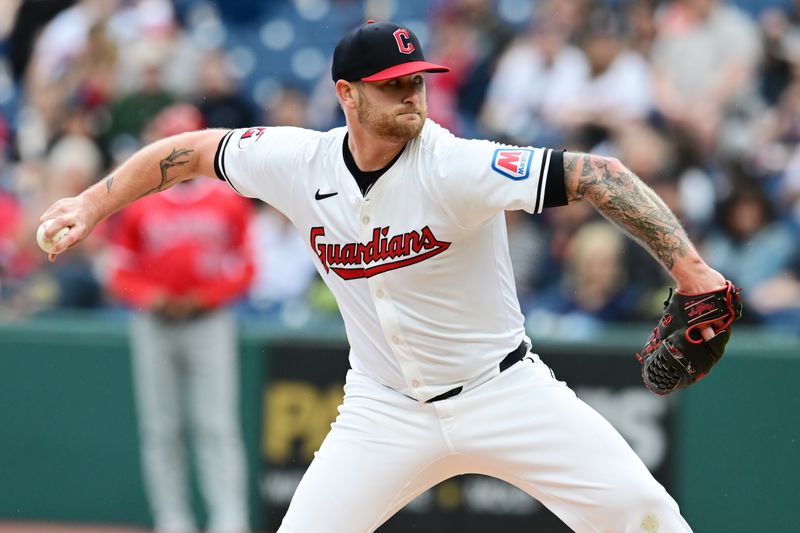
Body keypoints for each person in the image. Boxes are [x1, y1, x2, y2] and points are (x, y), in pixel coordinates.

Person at [40, 20, 732, 533]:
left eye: (417, 79)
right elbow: (191, 152)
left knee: (649, 520)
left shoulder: (456, 165)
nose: (412, 94)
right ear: (347, 93)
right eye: (392, 84)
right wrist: (92, 202)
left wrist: (692, 270)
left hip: (504, 391)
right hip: (384, 409)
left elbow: (597, 173)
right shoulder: (298, 162)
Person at [105, 104, 254, 533]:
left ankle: (229, 520)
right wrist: (149, 296)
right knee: (161, 430)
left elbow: (247, 267)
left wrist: (203, 297)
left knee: (216, 427)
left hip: (208, 321)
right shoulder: (140, 202)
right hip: (154, 322)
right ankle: (173, 520)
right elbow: (118, 272)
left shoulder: (227, 200)